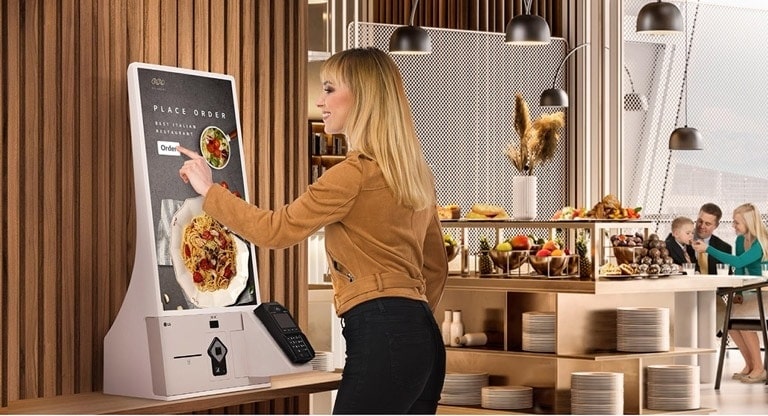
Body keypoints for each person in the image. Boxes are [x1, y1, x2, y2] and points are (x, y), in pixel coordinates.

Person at [177, 47, 448, 413]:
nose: (320, 101)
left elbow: (276, 230)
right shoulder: (415, 175)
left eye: (329, 89)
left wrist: (210, 191)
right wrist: (407, 323)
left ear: (363, 99)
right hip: (425, 338)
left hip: (383, 331)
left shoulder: (352, 175)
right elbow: (436, 266)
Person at [693, 203, 768, 383]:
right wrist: (737, 293)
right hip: (748, 290)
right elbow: (739, 269)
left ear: (749, 223)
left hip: (763, 291)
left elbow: (739, 261)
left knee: (743, 322)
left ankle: (759, 368)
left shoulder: (761, 242)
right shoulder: (740, 240)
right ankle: (750, 364)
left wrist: (708, 249)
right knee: (730, 323)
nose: (733, 226)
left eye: (737, 223)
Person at [694, 203, 732, 274]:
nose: (702, 226)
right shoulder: (681, 239)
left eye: (707, 224)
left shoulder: (724, 248)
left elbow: (727, 277)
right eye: (700, 221)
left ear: (716, 226)